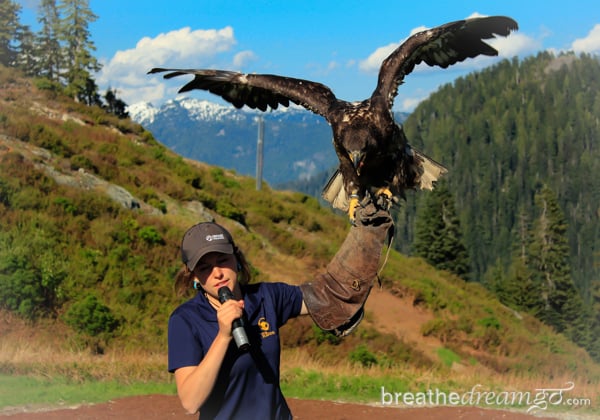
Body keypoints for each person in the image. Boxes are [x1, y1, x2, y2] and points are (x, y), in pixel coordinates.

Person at [168, 201, 393, 419]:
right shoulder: (185, 320)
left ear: (236, 260)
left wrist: (366, 238)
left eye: (223, 260)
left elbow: (327, 298)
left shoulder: (267, 297)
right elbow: (190, 402)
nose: (217, 273)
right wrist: (223, 336)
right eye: (205, 268)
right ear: (194, 276)